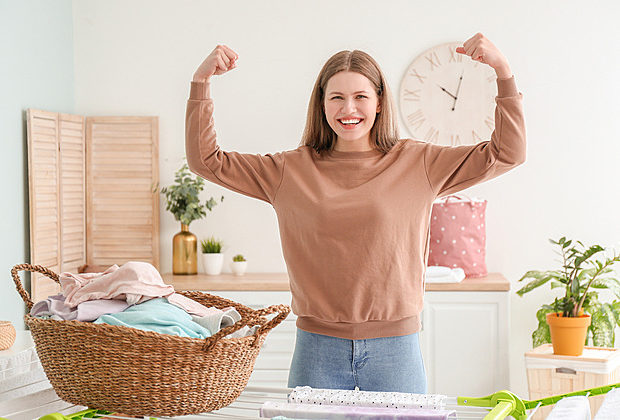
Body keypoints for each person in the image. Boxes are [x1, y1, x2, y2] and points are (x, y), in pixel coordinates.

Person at [186, 33, 525, 393]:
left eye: (361, 96)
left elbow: (507, 153)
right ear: (322, 105)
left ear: (379, 103)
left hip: (396, 351)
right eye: (337, 98)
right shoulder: (290, 170)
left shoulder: (418, 163)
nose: (349, 109)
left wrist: (503, 73)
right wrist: (200, 84)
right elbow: (207, 160)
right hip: (317, 349)